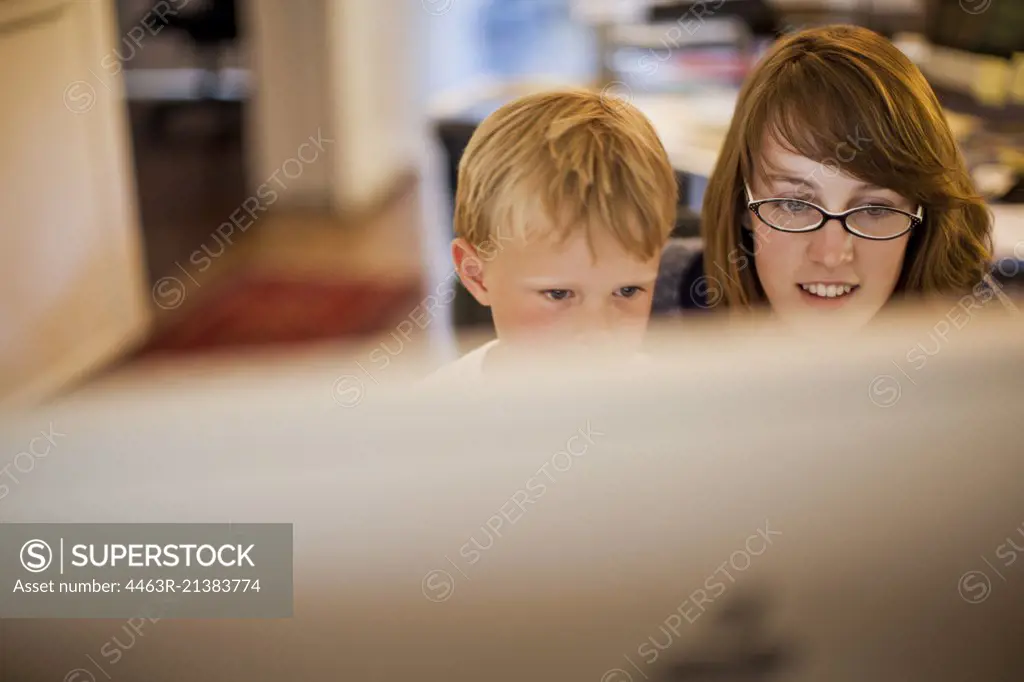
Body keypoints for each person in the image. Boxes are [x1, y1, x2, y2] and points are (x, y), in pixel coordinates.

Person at [666, 25, 995, 331]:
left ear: (922, 216)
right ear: (742, 202)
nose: (831, 254)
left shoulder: (994, 349)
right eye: (794, 204)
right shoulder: (647, 302)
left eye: (874, 209)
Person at [428, 88, 678, 382]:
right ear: (477, 275)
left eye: (627, 291)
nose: (597, 332)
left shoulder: (670, 397)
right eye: (559, 294)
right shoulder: (432, 414)